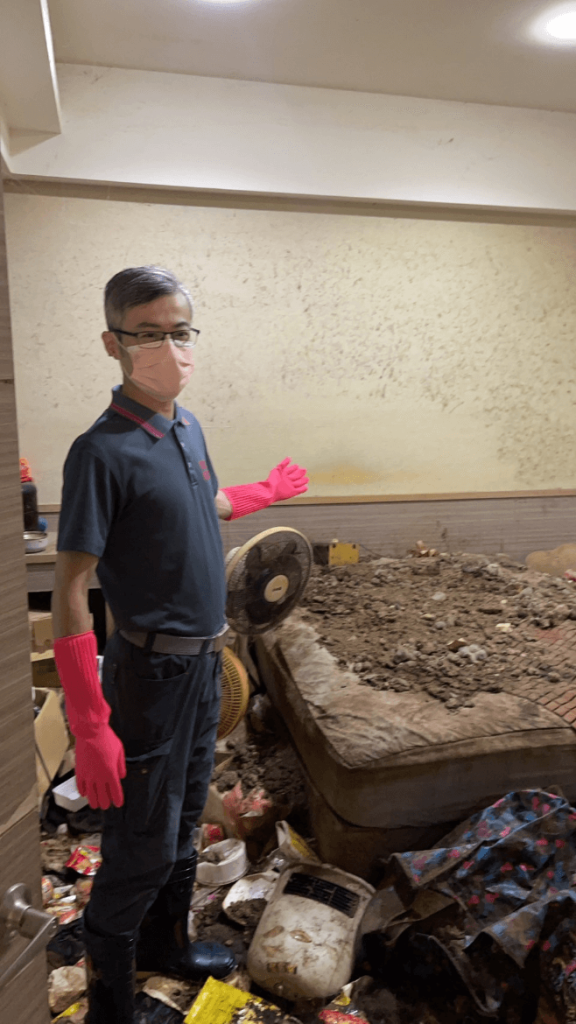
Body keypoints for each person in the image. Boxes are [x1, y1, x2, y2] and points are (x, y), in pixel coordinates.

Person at [51, 266, 308, 1024]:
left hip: (204, 664)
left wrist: (267, 492)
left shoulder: (186, 428)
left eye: (180, 331)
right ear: (113, 343)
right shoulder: (100, 453)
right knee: (141, 838)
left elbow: (208, 503)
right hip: (151, 672)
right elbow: (71, 589)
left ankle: (168, 945)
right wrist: (89, 724)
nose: (170, 348)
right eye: (148, 334)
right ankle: (111, 1000)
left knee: (187, 810)